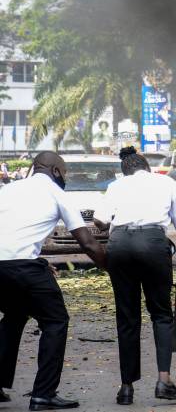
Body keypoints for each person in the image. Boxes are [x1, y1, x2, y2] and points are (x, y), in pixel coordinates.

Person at [92, 146, 176, 405]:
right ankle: (164, 380)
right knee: (161, 314)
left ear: (125, 170)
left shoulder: (117, 186)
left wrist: (110, 222)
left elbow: (99, 220)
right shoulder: (166, 182)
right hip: (152, 244)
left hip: (120, 246)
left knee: (127, 317)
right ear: (147, 168)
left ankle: (126, 387)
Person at [0, 152, 107, 411]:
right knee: (55, 321)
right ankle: (43, 395)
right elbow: (88, 243)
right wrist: (114, 269)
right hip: (25, 269)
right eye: (66, 173)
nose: (66, 178)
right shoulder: (57, 193)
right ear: (56, 171)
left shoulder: (7, 190)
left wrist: (36, 259)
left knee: (14, 316)